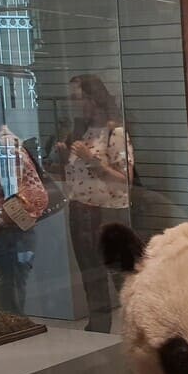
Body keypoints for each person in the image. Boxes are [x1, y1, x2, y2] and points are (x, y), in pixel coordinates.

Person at [55, 74, 134, 333]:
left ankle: (136, 327)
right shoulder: (82, 132)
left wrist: (91, 160)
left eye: (77, 98)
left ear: (93, 98)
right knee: (90, 273)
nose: (74, 104)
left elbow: (125, 180)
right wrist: (64, 156)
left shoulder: (115, 132)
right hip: (81, 209)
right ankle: (99, 325)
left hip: (109, 212)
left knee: (120, 274)